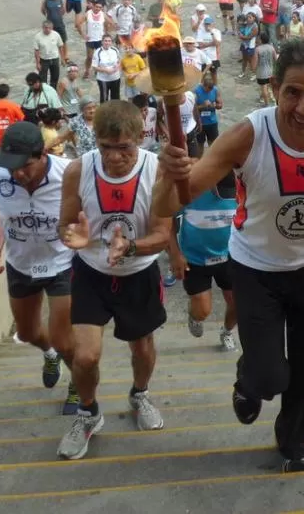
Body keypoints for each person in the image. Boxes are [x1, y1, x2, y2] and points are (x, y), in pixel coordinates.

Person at [152, 38, 304, 474]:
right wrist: (168, 176)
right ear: (275, 87)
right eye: (293, 93)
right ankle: (249, 378)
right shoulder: (249, 134)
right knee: (268, 378)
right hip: (256, 270)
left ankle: (293, 439)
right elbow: (171, 204)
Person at [56, 100, 173, 459]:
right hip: (92, 273)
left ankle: (140, 394)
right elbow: (65, 225)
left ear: (141, 138)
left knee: (141, 347)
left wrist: (131, 246)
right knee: (86, 357)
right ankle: (89, 413)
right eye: (107, 147)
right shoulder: (78, 170)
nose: (115, 157)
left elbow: (163, 234)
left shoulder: (156, 172)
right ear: (96, 139)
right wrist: (71, 236)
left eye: (124, 148)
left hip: (138, 273)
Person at [0, 121, 79, 417]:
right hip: (21, 264)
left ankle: (77, 383)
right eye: (12, 167)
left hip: (62, 263)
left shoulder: (68, 173)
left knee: (65, 339)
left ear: (42, 154)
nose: (18, 174)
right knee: (28, 332)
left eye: (25, 166)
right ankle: (49, 356)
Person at [169, 171, 240, 351]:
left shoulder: (241, 190)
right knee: (203, 310)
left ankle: (226, 332)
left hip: (230, 256)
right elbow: (166, 220)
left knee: (238, 303)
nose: (228, 196)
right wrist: (175, 254)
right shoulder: (191, 191)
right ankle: (195, 315)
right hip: (195, 259)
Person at [0, 83, 24, 148]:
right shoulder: (14, 106)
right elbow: (22, 120)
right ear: (8, 93)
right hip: (12, 137)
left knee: (1, 156)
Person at [80, 0, 110, 80]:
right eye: (96, 6)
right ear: (93, 6)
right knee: (89, 57)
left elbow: (109, 23)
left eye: (100, 7)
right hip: (90, 39)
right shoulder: (88, 14)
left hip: (100, 39)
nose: (97, 8)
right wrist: (83, 34)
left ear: (102, 8)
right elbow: (78, 24)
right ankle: (87, 71)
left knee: (99, 56)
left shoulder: (103, 14)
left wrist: (106, 33)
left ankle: (98, 70)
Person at [194, 72, 222, 155]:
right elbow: (192, 108)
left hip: (212, 122)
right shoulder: (196, 91)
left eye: (211, 90)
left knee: (213, 144)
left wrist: (215, 105)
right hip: (200, 123)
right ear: (203, 86)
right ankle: (199, 164)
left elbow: (220, 105)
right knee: (199, 145)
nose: (209, 91)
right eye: (207, 90)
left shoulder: (215, 90)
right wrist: (202, 105)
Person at [34, 20, 67, 89]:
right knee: (43, 79)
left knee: (55, 77)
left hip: (55, 59)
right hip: (44, 60)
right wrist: (37, 63)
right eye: (45, 27)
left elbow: (60, 46)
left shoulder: (56, 35)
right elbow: (36, 51)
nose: (47, 29)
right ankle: (44, 91)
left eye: (49, 28)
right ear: (42, 27)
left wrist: (63, 58)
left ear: (52, 28)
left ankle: (53, 91)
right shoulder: (38, 36)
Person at [92, 34, 122, 103]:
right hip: (103, 79)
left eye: (109, 41)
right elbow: (94, 67)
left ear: (111, 42)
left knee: (116, 97)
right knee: (104, 98)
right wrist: (105, 70)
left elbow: (120, 61)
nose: (107, 43)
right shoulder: (98, 52)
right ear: (102, 42)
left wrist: (116, 68)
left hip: (115, 78)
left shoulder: (115, 50)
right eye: (105, 41)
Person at [254, 30, 277, 107]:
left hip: (261, 72)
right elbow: (276, 59)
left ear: (261, 40)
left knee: (264, 87)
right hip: (270, 71)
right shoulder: (271, 48)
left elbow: (255, 62)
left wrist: (253, 69)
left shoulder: (258, 49)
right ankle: (263, 98)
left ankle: (266, 104)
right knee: (269, 86)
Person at [197, 17, 222, 81]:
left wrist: (212, 33)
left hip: (213, 56)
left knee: (214, 73)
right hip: (203, 56)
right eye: (206, 24)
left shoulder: (216, 32)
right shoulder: (200, 31)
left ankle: (215, 87)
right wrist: (211, 43)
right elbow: (200, 45)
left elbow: (217, 44)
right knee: (202, 73)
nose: (207, 26)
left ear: (212, 24)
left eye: (209, 24)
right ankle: (201, 86)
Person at [237, 14, 259, 79]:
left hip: (250, 46)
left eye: (250, 17)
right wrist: (239, 32)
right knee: (244, 59)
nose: (248, 19)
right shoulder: (246, 24)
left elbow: (249, 37)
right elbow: (239, 28)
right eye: (247, 18)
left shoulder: (255, 27)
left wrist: (241, 36)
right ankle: (243, 72)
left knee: (250, 61)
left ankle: (254, 73)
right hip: (244, 45)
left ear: (254, 18)